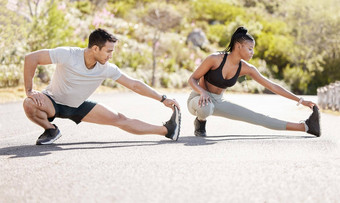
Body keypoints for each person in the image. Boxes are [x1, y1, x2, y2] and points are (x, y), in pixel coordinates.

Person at [23, 28, 181, 145]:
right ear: (95, 48)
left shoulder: (106, 68)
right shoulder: (68, 54)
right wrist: (29, 90)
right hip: (52, 101)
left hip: (78, 106)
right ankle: (51, 130)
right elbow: (31, 58)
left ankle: (167, 130)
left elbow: (134, 85)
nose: (110, 56)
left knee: (120, 119)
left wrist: (163, 99)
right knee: (29, 103)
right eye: (108, 51)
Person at [187, 26, 320, 137]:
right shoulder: (215, 59)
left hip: (218, 101)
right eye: (250, 48)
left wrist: (301, 100)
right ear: (238, 46)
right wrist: (202, 92)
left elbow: (272, 86)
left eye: (253, 49)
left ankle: (306, 127)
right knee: (205, 108)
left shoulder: (246, 68)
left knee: (258, 118)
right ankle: (200, 122)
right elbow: (192, 79)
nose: (252, 52)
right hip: (198, 98)